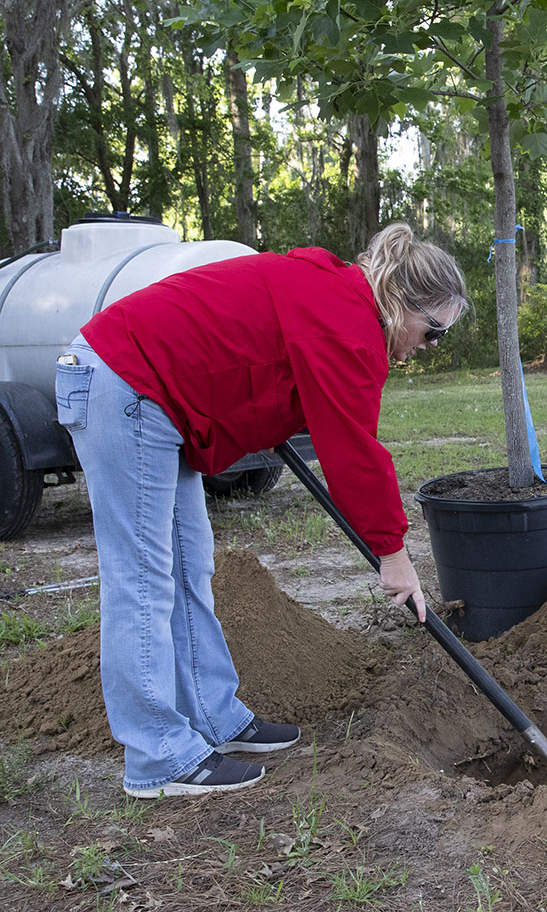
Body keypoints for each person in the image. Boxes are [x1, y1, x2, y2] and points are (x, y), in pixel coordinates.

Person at [54, 223, 468, 798]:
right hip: (125, 385)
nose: (429, 347)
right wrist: (393, 556)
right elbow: (354, 453)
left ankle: (213, 716)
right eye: (435, 332)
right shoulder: (347, 324)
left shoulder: (338, 300)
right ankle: (157, 757)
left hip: (153, 397)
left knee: (187, 564)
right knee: (143, 578)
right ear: (401, 301)